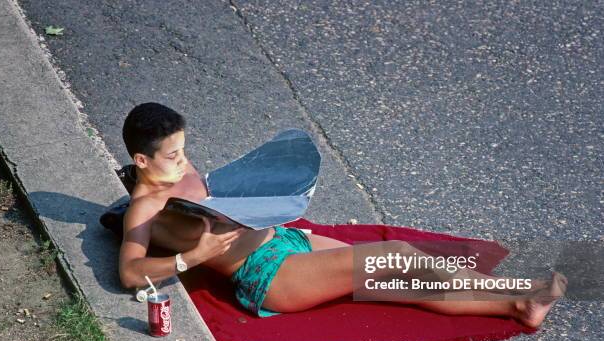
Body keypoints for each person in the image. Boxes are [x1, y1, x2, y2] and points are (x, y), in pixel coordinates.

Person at [119, 102, 567, 328]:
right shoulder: (145, 208)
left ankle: (517, 303)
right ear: (142, 161)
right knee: (397, 256)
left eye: (183, 149)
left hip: (284, 242)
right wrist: (191, 257)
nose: (183, 161)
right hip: (270, 274)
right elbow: (130, 274)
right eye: (172, 155)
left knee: (393, 282)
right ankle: (519, 293)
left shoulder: (177, 169)